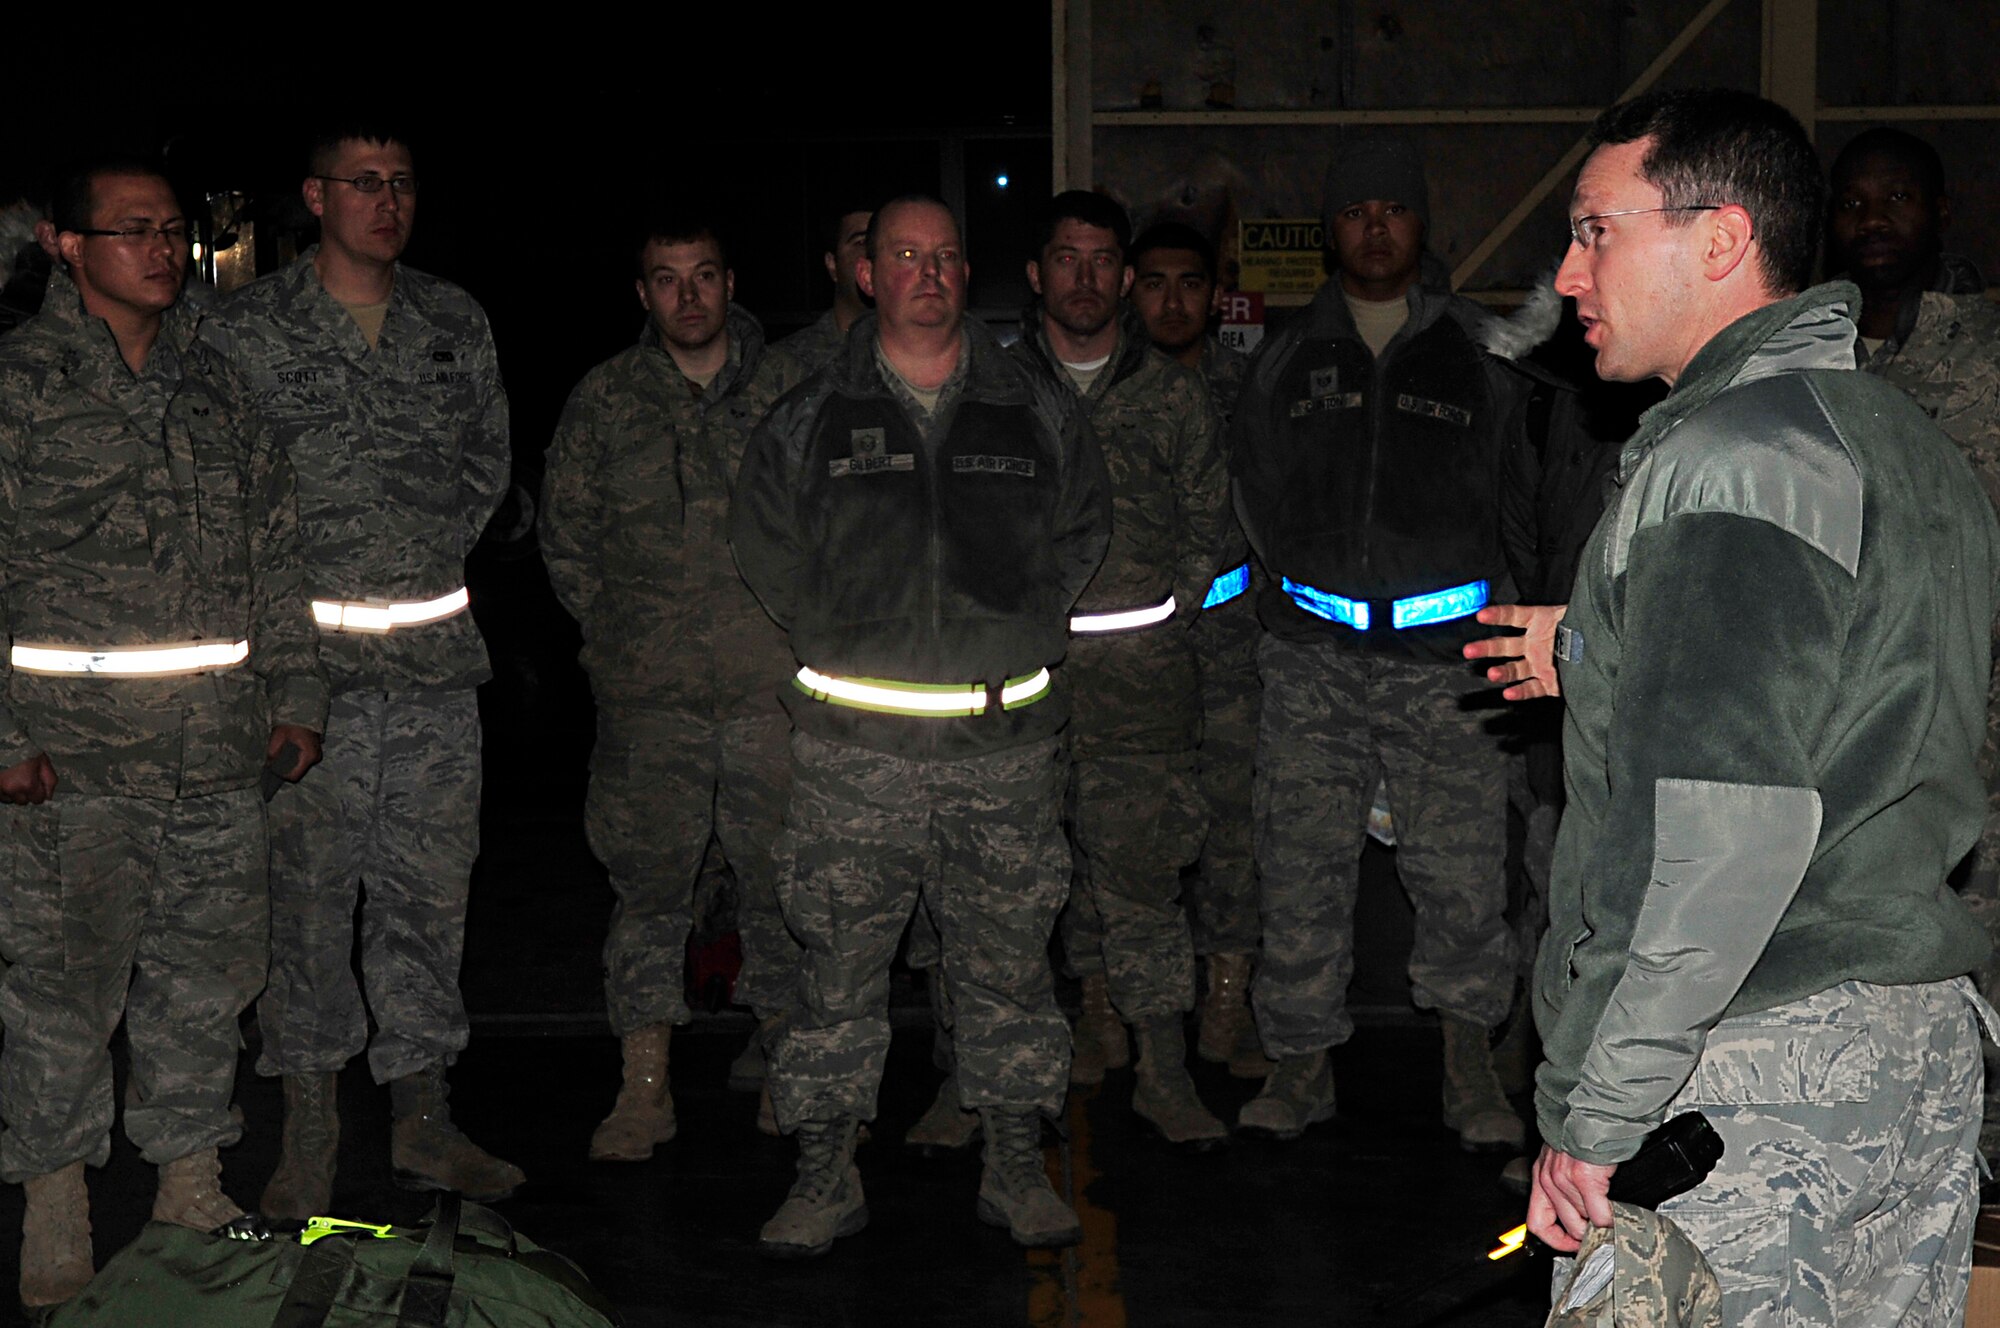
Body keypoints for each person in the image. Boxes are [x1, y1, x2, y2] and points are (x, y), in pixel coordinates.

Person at [1519, 89, 1999, 1323]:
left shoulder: (1727, 461)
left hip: (1746, 1072)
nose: (1568, 273)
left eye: (1593, 231)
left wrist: (1599, 1111)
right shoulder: (1901, 441)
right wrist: (1594, 646)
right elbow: (1850, 706)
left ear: (1719, 239)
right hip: (1912, 1059)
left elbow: (1718, 832)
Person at [729, 195, 1110, 1257]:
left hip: (1002, 752)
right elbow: (763, 546)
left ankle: (1013, 1162)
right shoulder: (808, 414)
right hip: (855, 752)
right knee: (837, 975)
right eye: (904, 255)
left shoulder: (1031, 405)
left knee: (1006, 970)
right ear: (866, 274)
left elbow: (1081, 527)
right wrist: (840, 629)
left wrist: (1019, 625)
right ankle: (824, 1171)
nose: (927, 274)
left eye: (944, 257)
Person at [0, 159, 325, 1310]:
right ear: (65, 243)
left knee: (204, 982)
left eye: (171, 230)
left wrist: (297, 698)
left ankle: (190, 1181)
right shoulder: (20, 390)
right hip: (68, 767)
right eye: (130, 229)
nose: (158, 248)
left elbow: (277, 553)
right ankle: (55, 1202)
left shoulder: (219, 390)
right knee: (63, 995)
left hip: (214, 760)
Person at [203, 124, 519, 1220]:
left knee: (427, 902)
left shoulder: (452, 319)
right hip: (308, 687)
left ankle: (425, 1118)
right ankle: (311, 1128)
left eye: (401, 184)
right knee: (305, 908)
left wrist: (414, 548)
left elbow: (486, 465)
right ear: (314, 197)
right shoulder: (246, 330)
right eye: (362, 183)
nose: (385, 201)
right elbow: (221, 487)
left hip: (431, 673)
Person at [1229, 137, 1532, 1152]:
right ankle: (1299, 1061)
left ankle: (1465, 1063)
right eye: (1353, 209)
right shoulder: (1283, 356)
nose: (1372, 226)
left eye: (1391, 210)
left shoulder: (1483, 354)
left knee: (1459, 876)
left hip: (1447, 663)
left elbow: (1516, 499)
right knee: (1300, 866)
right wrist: (1293, 607)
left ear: (1419, 224)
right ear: (1330, 227)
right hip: (1312, 656)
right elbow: (1253, 495)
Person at [540, 216, 804, 1157]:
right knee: (649, 892)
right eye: (665, 280)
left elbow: (835, 529)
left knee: (782, 889)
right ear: (641, 295)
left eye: (702, 277)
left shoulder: (791, 394)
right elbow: (566, 539)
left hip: (772, 696)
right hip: (651, 705)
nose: (687, 297)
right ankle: (644, 1086)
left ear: (732, 283)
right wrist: (622, 641)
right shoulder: (606, 402)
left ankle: (785, 1063)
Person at [1009, 192, 1229, 1146]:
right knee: (1018, 884)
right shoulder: (997, 388)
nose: (1086, 279)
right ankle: (1061, 1042)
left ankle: (1163, 1068)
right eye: (1068, 260)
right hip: (1019, 686)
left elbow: (1208, 524)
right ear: (1037, 274)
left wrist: (1166, 611)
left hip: (1143, 689)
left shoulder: (1174, 394)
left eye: (1104, 262)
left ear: (1125, 280)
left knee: (1143, 883)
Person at [1825, 129, 2000, 1166]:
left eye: (1896, 197)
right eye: (1852, 202)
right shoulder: (1806, 363)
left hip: (1980, 734)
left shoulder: (1986, 354)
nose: (1874, 218)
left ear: (1936, 212)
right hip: (1851, 734)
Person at [1128, 221, 1265, 1076]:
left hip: (1230, 641)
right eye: (1154, 282)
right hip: (1131, 650)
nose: (1172, 300)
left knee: (1233, 833)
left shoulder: (1251, 389)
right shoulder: (1104, 392)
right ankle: (1111, 1004)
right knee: (1121, 832)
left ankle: (1226, 1004)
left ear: (1215, 295)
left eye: (1189, 283)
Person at [779, 206, 872, 372]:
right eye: (861, 242)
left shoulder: (922, 354)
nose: (873, 253)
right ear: (832, 264)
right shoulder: (786, 363)